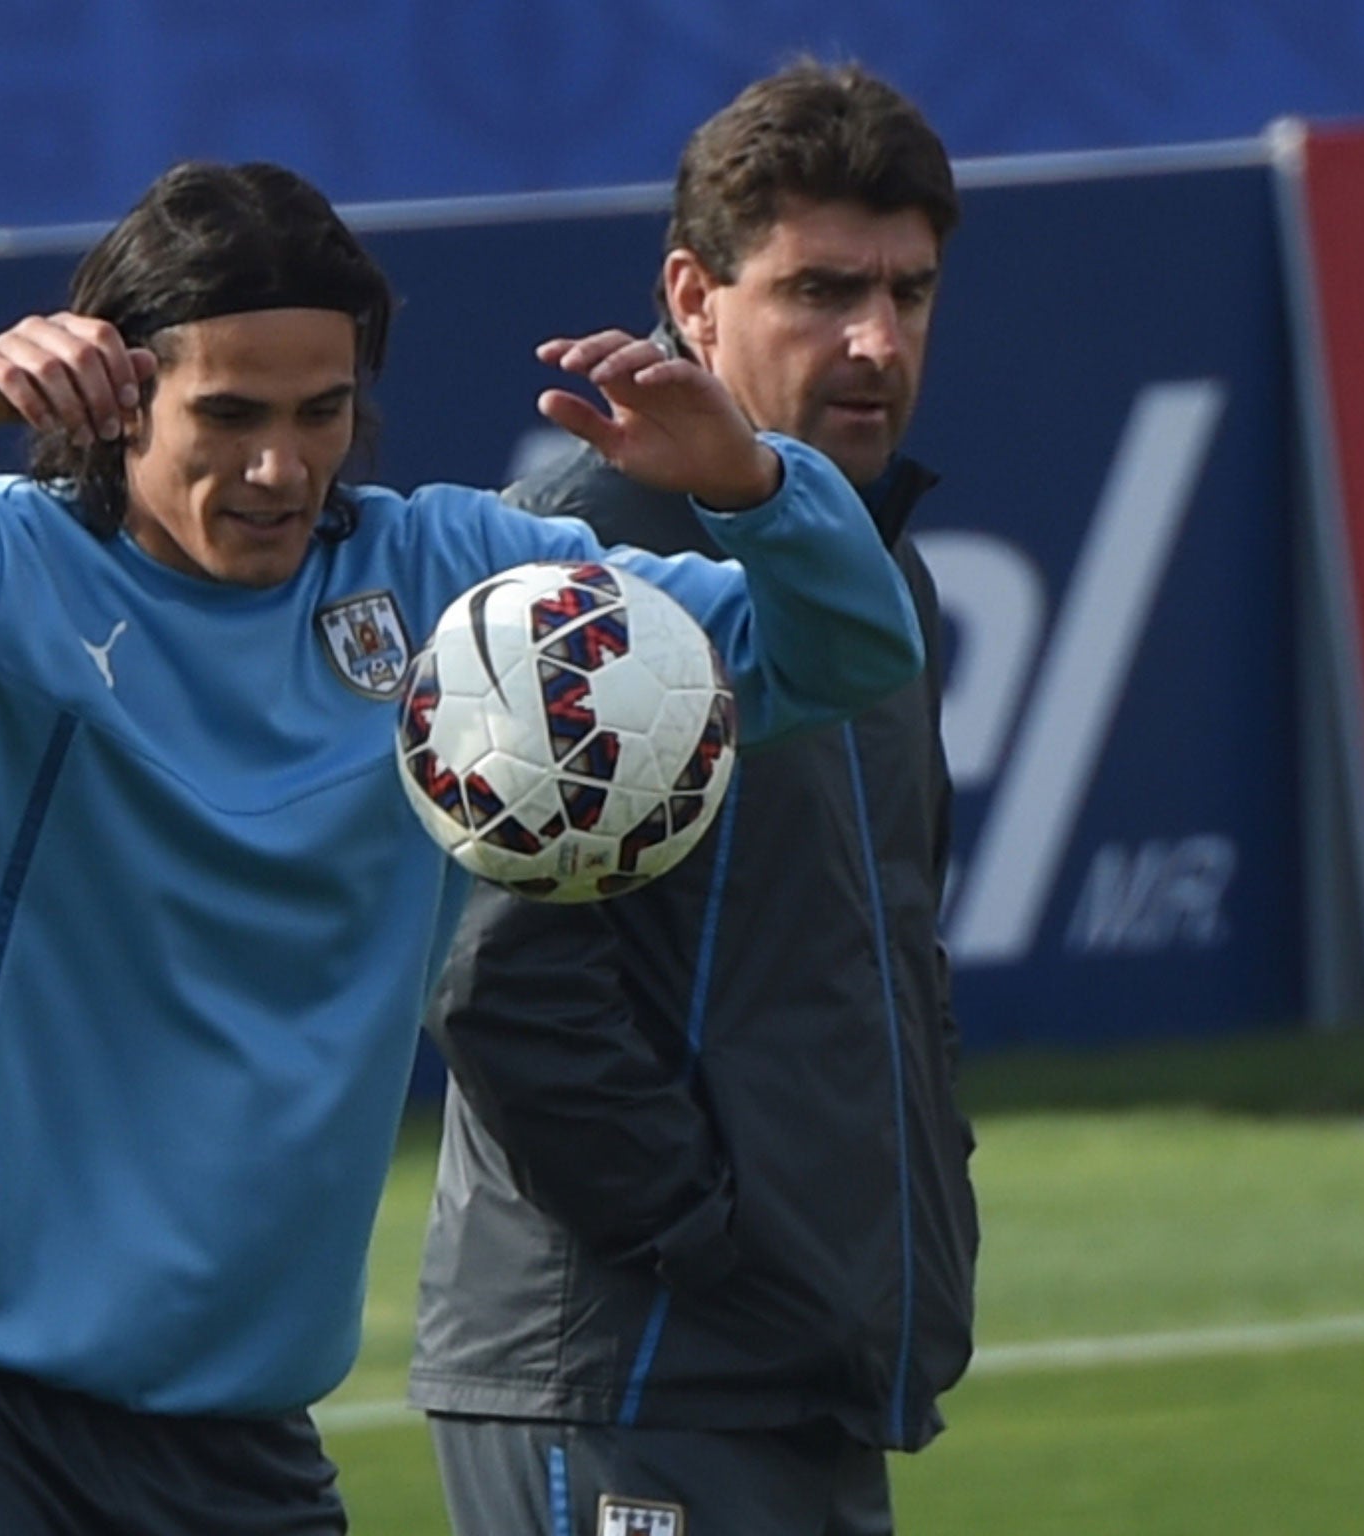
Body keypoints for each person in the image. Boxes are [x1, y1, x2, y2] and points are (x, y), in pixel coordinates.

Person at [0, 157, 923, 1536]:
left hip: (239, 1439)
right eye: (227, 415)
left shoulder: (451, 591)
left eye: (321, 412)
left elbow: (842, 656)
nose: (281, 466)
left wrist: (758, 485)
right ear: (115, 405)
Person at [410, 61, 981, 1536]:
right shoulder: (576, 575)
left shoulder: (872, 569)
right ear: (693, 292)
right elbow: (501, 989)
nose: (876, 340)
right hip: (631, 1373)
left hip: (796, 1361)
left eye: (909, 294)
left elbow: (888, 961)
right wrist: (714, 1241)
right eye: (821, 290)